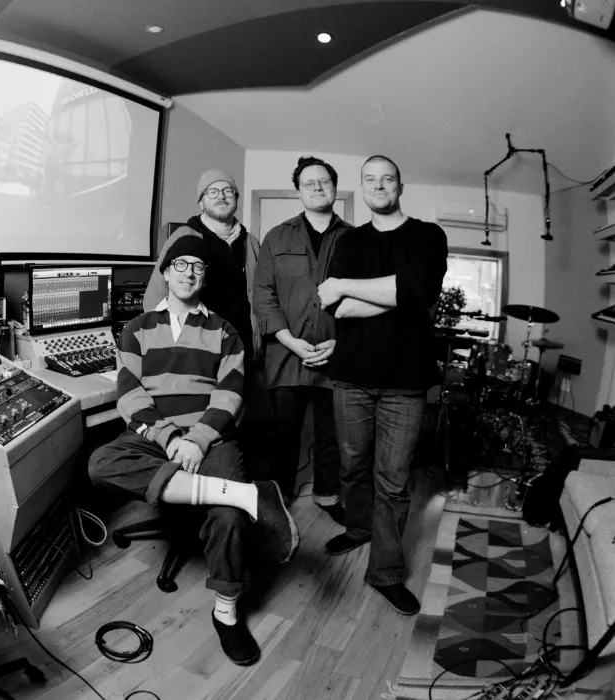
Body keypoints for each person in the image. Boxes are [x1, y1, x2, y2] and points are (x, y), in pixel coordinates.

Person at [89, 227, 298, 666]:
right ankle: (244, 493)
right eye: (179, 265)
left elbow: (231, 395)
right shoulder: (137, 328)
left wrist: (199, 439)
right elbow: (129, 395)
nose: (188, 272)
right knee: (101, 461)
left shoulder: (225, 332)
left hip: (212, 433)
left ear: (204, 277)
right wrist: (169, 438)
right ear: (165, 273)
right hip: (155, 436)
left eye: (197, 267)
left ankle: (226, 613)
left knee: (228, 517)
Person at [317, 155, 447, 616]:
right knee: (352, 465)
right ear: (362, 188)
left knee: (392, 481)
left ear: (399, 185)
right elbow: (336, 308)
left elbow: (417, 293)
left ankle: (386, 573)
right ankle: (357, 527)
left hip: (405, 382)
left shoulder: (428, 235)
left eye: (386, 179)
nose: (378, 186)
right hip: (351, 376)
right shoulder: (349, 240)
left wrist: (351, 288)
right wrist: (396, 295)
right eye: (369, 180)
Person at [253, 156, 352, 521]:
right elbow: (263, 294)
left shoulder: (355, 240)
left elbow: (362, 298)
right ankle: (281, 494)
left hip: (336, 355)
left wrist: (340, 342)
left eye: (323, 181)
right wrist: (290, 341)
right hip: (285, 354)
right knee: (283, 431)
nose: (316, 187)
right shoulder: (277, 237)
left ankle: (327, 495)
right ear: (298, 191)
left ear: (334, 188)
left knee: (332, 432)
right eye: (308, 183)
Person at [143, 169, 261, 361]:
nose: (221, 197)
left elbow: (264, 297)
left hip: (245, 355)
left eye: (227, 191)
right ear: (201, 202)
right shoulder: (184, 237)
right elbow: (153, 300)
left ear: (236, 198)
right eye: (212, 191)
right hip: (198, 357)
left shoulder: (252, 242)